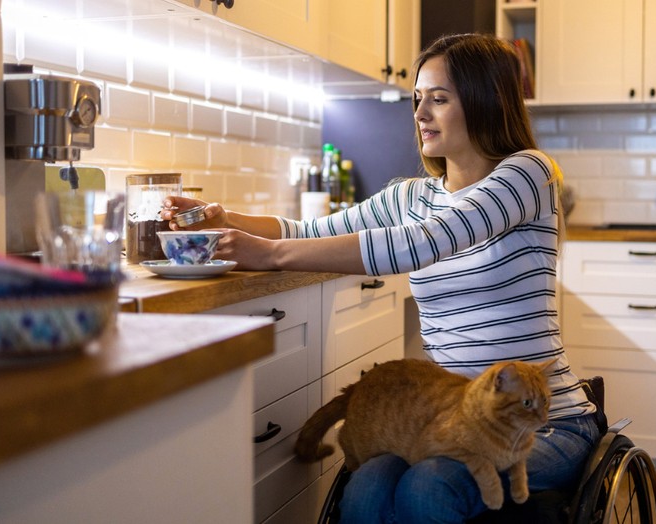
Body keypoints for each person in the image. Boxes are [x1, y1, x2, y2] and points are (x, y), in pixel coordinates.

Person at [163, 33, 599, 523]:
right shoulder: (410, 196)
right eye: (417, 99)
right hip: (452, 421)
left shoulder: (529, 174)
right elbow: (306, 230)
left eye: (438, 98)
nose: (420, 114)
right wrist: (221, 217)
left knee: (428, 487)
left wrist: (271, 256)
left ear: (486, 102)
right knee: (367, 487)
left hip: (546, 426)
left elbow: (426, 241)